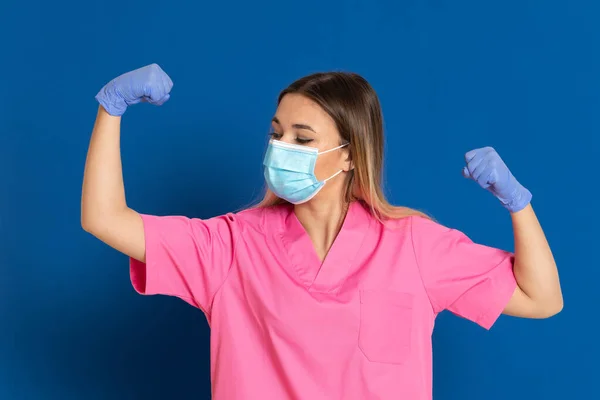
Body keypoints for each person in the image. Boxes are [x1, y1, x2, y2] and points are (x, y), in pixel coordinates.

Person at [81, 63, 563, 400]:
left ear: (351, 154)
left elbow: (543, 299)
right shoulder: (230, 247)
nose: (281, 147)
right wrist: (111, 108)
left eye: (302, 138)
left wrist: (517, 203)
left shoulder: (413, 245)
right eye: (276, 134)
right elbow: (104, 219)